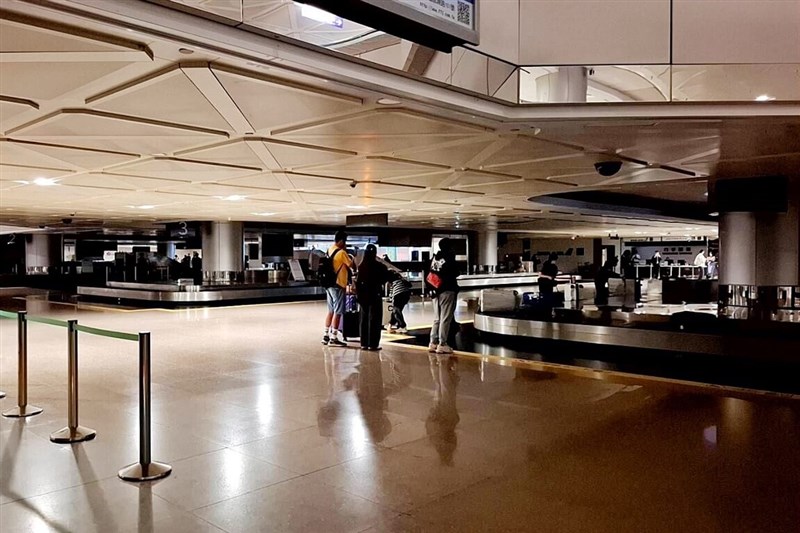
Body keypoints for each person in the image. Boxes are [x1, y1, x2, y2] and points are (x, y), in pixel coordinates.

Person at [355, 244, 393, 350]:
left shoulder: (361, 266)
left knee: (363, 319)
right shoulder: (379, 266)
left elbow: (358, 282)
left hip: (363, 296)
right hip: (375, 295)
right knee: (375, 319)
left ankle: (364, 343)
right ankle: (373, 344)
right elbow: (385, 278)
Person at [427, 238, 460, 354]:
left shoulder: (434, 258)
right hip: (447, 290)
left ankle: (433, 342)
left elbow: (430, 273)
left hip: (435, 291)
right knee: (445, 318)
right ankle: (443, 343)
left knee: (437, 318)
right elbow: (456, 272)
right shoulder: (449, 257)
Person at [322, 230, 354, 347]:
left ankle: (326, 335)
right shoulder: (341, 253)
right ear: (341, 241)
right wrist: (348, 254)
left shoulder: (329, 250)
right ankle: (334, 337)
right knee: (338, 311)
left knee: (330, 311)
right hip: (338, 285)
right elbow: (352, 265)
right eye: (344, 241)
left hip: (329, 285)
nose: (345, 243)